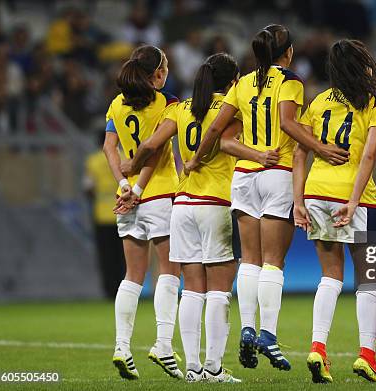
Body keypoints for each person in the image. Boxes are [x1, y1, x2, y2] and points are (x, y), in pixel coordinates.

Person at [184, 24, 350, 371]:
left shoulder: (243, 82)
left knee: (250, 260)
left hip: (244, 176)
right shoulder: (290, 81)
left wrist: (197, 159)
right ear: (287, 52)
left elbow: (218, 131)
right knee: (274, 261)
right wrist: (320, 147)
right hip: (278, 173)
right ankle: (268, 337)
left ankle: (247, 328)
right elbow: (288, 123)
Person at [121, 53, 268, 383]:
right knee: (218, 290)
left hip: (182, 204)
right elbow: (231, 145)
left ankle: (192, 367)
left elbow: (152, 143)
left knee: (191, 290)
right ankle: (214, 368)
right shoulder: (231, 111)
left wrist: (132, 166)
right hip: (215, 203)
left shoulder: (181, 108)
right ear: (232, 83)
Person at [293, 39, 376, 383]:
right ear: (363, 67)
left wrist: (299, 201)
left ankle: (318, 348)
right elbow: (368, 156)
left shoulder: (318, 101)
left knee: (330, 275)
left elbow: (300, 152)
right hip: (356, 198)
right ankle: (367, 356)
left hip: (317, 193)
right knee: (369, 279)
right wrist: (352, 201)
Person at [102, 45, 181, 380]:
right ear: (157, 74)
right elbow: (154, 150)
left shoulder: (117, 104)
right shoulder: (168, 103)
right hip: (159, 192)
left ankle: (122, 347)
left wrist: (123, 185)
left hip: (126, 198)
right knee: (169, 271)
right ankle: (163, 345)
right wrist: (136, 191)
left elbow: (109, 147)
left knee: (132, 275)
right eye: (165, 68)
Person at [84, 133, 125, 299]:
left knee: (106, 257)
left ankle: (109, 291)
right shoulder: (123, 157)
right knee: (122, 257)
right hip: (122, 212)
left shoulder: (92, 161)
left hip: (101, 214)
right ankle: (122, 290)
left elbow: (88, 187)